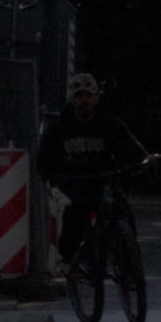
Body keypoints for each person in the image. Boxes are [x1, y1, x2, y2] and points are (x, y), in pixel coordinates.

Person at [36, 71, 147, 282]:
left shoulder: (109, 123)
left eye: (88, 95)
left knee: (122, 210)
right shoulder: (60, 128)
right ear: (72, 99)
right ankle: (68, 258)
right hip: (75, 181)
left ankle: (130, 261)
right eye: (79, 96)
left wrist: (143, 161)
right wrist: (55, 172)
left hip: (104, 178)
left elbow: (130, 147)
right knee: (76, 211)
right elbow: (45, 159)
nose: (84, 101)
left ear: (96, 97)